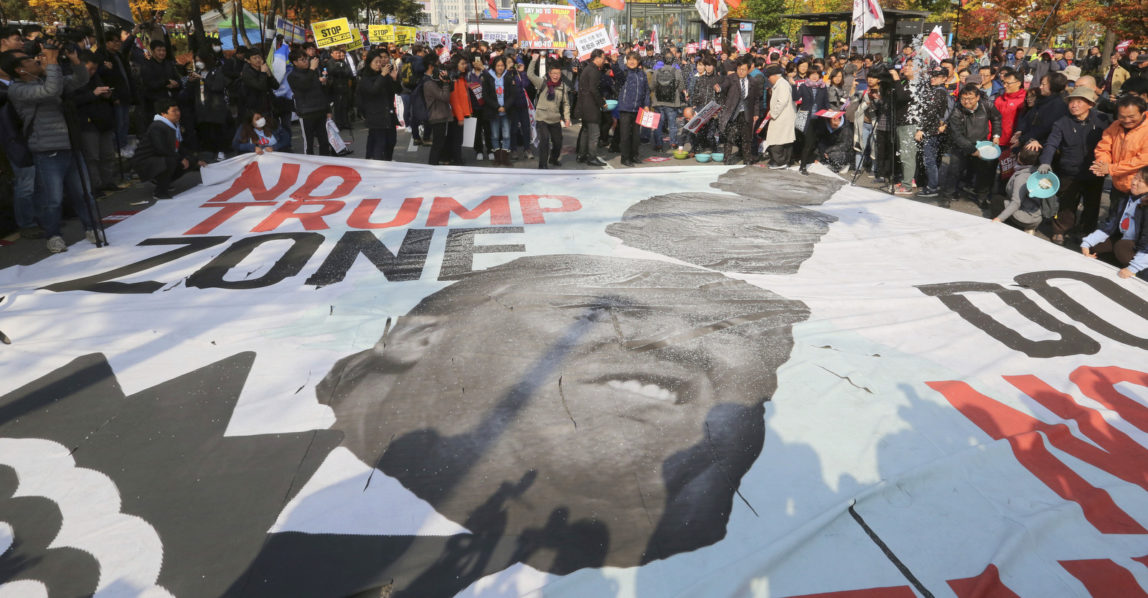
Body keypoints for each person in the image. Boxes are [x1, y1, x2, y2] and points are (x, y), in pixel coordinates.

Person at [3, 44, 99, 253]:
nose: (35, 60)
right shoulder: (17, 89)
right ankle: (53, 235)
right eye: (28, 60)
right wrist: (53, 61)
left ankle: (91, 227)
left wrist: (75, 61)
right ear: (20, 70)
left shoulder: (45, 78)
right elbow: (51, 91)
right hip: (47, 149)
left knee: (84, 193)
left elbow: (80, 80)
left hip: (70, 144)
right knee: (52, 199)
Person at [1040, 87, 1112, 243]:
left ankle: (1086, 231)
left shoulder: (1102, 120)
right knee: (1067, 203)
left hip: (1094, 170)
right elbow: (1051, 144)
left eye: (1079, 101)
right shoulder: (1061, 122)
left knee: (1092, 204)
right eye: (1071, 101)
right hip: (1069, 170)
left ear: (1090, 104)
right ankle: (1060, 229)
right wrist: (1045, 162)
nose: (1074, 105)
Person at [1091, 95, 1148, 230]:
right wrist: (1102, 165)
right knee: (1115, 217)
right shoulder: (1115, 126)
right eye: (1122, 116)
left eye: (1131, 116)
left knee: (1137, 224)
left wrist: (1111, 168)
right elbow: (1103, 147)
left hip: (1142, 186)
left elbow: (1143, 159)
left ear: (1142, 112)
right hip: (1119, 184)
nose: (1126, 120)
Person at [1081, 166, 1148, 280]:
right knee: (1097, 245)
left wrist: (1133, 268)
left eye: (1140, 181)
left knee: (1121, 247)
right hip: (1128, 241)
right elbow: (1109, 225)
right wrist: (1087, 243)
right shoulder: (1126, 199)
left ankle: (1141, 271)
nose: (1134, 182)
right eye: (1135, 178)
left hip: (1141, 248)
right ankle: (1121, 263)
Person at [132, 98, 205, 200]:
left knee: (190, 161)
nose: (178, 113)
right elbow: (161, 149)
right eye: (174, 111)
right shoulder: (157, 127)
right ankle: (160, 191)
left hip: (159, 157)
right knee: (171, 160)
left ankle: (165, 182)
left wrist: (195, 160)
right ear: (163, 114)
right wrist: (180, 158)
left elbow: (178, 147)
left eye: (178, 110)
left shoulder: (172, 125)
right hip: (145, 161)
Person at [944, 84, 1002, 207]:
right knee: (954, 171)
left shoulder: (987, 105)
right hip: (961, 146)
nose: (966, 101)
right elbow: (957, 135)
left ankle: (982, 197)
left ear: (977, 97)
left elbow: (996, 118)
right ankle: (947, 196)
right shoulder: (956, 111)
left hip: (981, 144)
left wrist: (996, 136)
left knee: (983, 172)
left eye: (970, 98)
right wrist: (971, 150)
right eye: (963, 98)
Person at [71, 51, 117, 195]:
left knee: (108, 154)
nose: (92, 72)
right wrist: (93, 94)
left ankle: (108, 181)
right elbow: (71, 101)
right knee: (92, 157)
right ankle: (95, 186)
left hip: (103, 120)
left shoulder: (96, 77)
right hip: (87, 122)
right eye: (89, 69)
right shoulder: (72, 80)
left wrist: (107, 95)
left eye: (94, 69)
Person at [527, 53, 571, 169]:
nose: (556, 76)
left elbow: (566, 103)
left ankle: (553, 158)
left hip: (555, 118)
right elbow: (530, 75)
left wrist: (567, 118)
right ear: (549, 73)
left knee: (558, 142)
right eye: (554, 73)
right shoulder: (543, 83)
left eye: (558, 73)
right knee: (544, 141)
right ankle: (542, 164)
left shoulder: (563, 86)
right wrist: (533, 60)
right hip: (542, 117)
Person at [914, 68, 952, 200]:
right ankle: (933, 185)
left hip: (932, 131)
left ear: (945, 78)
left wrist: (922, 129)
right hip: (937, 131)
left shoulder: (939, 92)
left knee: (929, 160)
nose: (933, 78)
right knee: (934, 159)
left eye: (938, 76)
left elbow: (931, 112)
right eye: (933, 75)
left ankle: (932, 187)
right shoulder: (941, 91)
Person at [287, 49, 332, 156]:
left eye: (306, 59)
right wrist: (312, 69)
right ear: (295, 62)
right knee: (309, 143)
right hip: (306, 113)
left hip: (320, 110)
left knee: (324, 141)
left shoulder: (313, 72)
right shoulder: (292, 76)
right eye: (302, 60)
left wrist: (328, 109)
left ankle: (325, 162)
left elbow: (321, 92)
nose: (306, 61)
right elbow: (304, 86)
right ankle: (309, 165)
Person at [358, 50, 399, 161]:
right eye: (376, 62)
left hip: (389, 114)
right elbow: (373, 90)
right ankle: (378, 167)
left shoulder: (384, 76)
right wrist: (382, 75)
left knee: (391, 141)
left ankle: (388, 161)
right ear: (369, 63)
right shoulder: (365, 78)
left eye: (380, 62)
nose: (379, 64)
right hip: (375, 117)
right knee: (379, 144)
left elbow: (397, 91)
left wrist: (395, 79)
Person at [481, 56, 523, 167]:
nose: (500, 68)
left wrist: (505, 106)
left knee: (507, 135)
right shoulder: (488, 76)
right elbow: (485, 95)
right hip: (494, 111)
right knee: (494, 135)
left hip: (506, 111)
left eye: (502, 65)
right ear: (494, 66)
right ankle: (497, 158)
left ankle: (504, 158)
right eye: (498, 65)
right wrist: (496, 106)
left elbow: (513, 95)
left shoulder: (509, 76)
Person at [192, 50, 232, 162]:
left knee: (218, 130)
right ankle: (209, 153)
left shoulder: (216, 71)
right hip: (202, 107)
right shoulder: (197, 72)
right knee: (207, 132)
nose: (198, 63)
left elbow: (217, 87)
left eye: (200, 60)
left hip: (216, 107)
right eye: (197, 61)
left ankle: (221, 151)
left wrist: (202, 79)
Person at [994, 147, 1045, 233]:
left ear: (1019, 156)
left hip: (1027, 217)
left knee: (996, 200)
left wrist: (998, 219)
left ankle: (1016, 228)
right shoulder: (1039, 172)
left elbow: (1016, 203)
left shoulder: (1022, 177)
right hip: (1036, 215)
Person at [615, 51, 650, 167]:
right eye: (629, 59)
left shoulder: (642, 74)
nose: (632, 61)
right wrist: (614, 62)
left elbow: (646, 91)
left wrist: (646, 105)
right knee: (625, 135)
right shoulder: (623, 72)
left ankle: (634, 156)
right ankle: (625, 158)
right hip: (625, 108)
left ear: (638, 61)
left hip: (638, 109)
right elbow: (616, 73)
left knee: (636, 135)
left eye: (634, 59)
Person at [576, 49, 608, 167]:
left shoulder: (588, 68)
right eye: (603, 58)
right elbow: (593, 90)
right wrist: (602, 103)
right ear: (598, 58)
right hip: (591, 106)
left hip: (584, 105)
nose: (604, 61)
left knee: (585, 131)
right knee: (594, 133)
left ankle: (581, 155)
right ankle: (592, 157)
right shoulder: (594, 71)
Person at [795, 65, 828, 174]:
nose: (814, 76)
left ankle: (807, 160)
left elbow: (825, 103)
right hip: (806, 119)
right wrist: (792, 85)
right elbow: (795, 97)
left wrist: (829, 111)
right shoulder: (804, 86)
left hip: (819, 119)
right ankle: (802, 166)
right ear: (809, 75)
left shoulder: (823, 87)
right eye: (812, 74)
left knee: (814, 142)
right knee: (808, 143)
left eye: (817, 74)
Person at [650, 58, 686, 152]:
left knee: (658, 124)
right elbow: (682, 86)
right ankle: (673, 143)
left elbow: (652, 86)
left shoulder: (657, 71)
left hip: (658, 101)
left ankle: (659, 145)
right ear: (672, 61)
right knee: (672, 124)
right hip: (672, 102)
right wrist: (673, 92)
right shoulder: (677, 71)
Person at [764, 64, 795, 169]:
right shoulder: (780, 84)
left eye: (769, 77)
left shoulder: (782, 85)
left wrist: (773, 113)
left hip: (782, 117)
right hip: (781, 116)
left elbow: (782, 102)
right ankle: (782, 161)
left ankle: (780, 162)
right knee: (783, 140)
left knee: (777, 140)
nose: (768, 80)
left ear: (773, 76)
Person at [423, 61, 454, 166]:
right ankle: (432, 165)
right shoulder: (429, 84)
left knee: (440, 142)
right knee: (437, 143)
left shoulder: (436, 82)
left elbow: (451, 89)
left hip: (441, 114)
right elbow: (445, 97)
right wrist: (445, 83)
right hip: (437, 116)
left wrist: (447, 80)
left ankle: (438, 162)